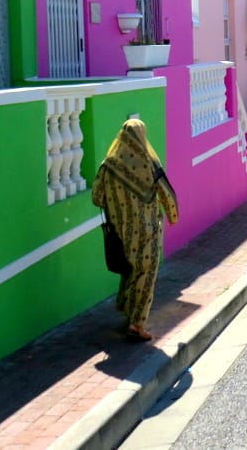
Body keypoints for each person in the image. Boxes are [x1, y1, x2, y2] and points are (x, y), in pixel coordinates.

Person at [92, 119, 178, 341]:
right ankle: (137, 325)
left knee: (130, 269)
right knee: (146, 273)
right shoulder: (149, 164)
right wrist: (173, 216)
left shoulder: (107, 166)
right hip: (148, 230)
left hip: (121, 231)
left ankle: (126, 307)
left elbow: (96, 197)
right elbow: (166, 193)